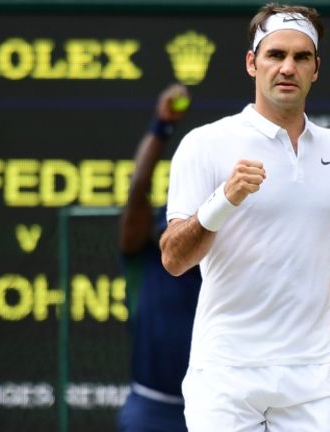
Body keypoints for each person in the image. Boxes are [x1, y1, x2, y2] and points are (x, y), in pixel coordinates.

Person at [158, 3, 330, 431]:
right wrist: (223, 199)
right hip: (225, 374)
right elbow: (173, 258)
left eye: (301, 57)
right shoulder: (205, 144)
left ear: (316, 68)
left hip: (311, 378)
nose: (287, 67)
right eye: (275, 55)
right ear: (252, 63)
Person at [116, 83, 202, 432]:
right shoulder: (144, 253)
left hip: (214, 408)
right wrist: (161, 127)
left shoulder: (221, 256)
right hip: (150, 409)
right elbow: (138, 192)